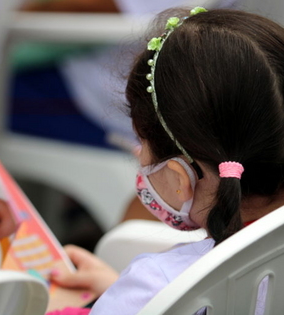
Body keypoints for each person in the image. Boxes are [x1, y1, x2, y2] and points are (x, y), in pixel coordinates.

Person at [46, 7, 284, 315]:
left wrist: (133, 298)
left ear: (178, 178)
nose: (138, 156)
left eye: (140, 144)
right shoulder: (160, 289)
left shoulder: (156, 282)